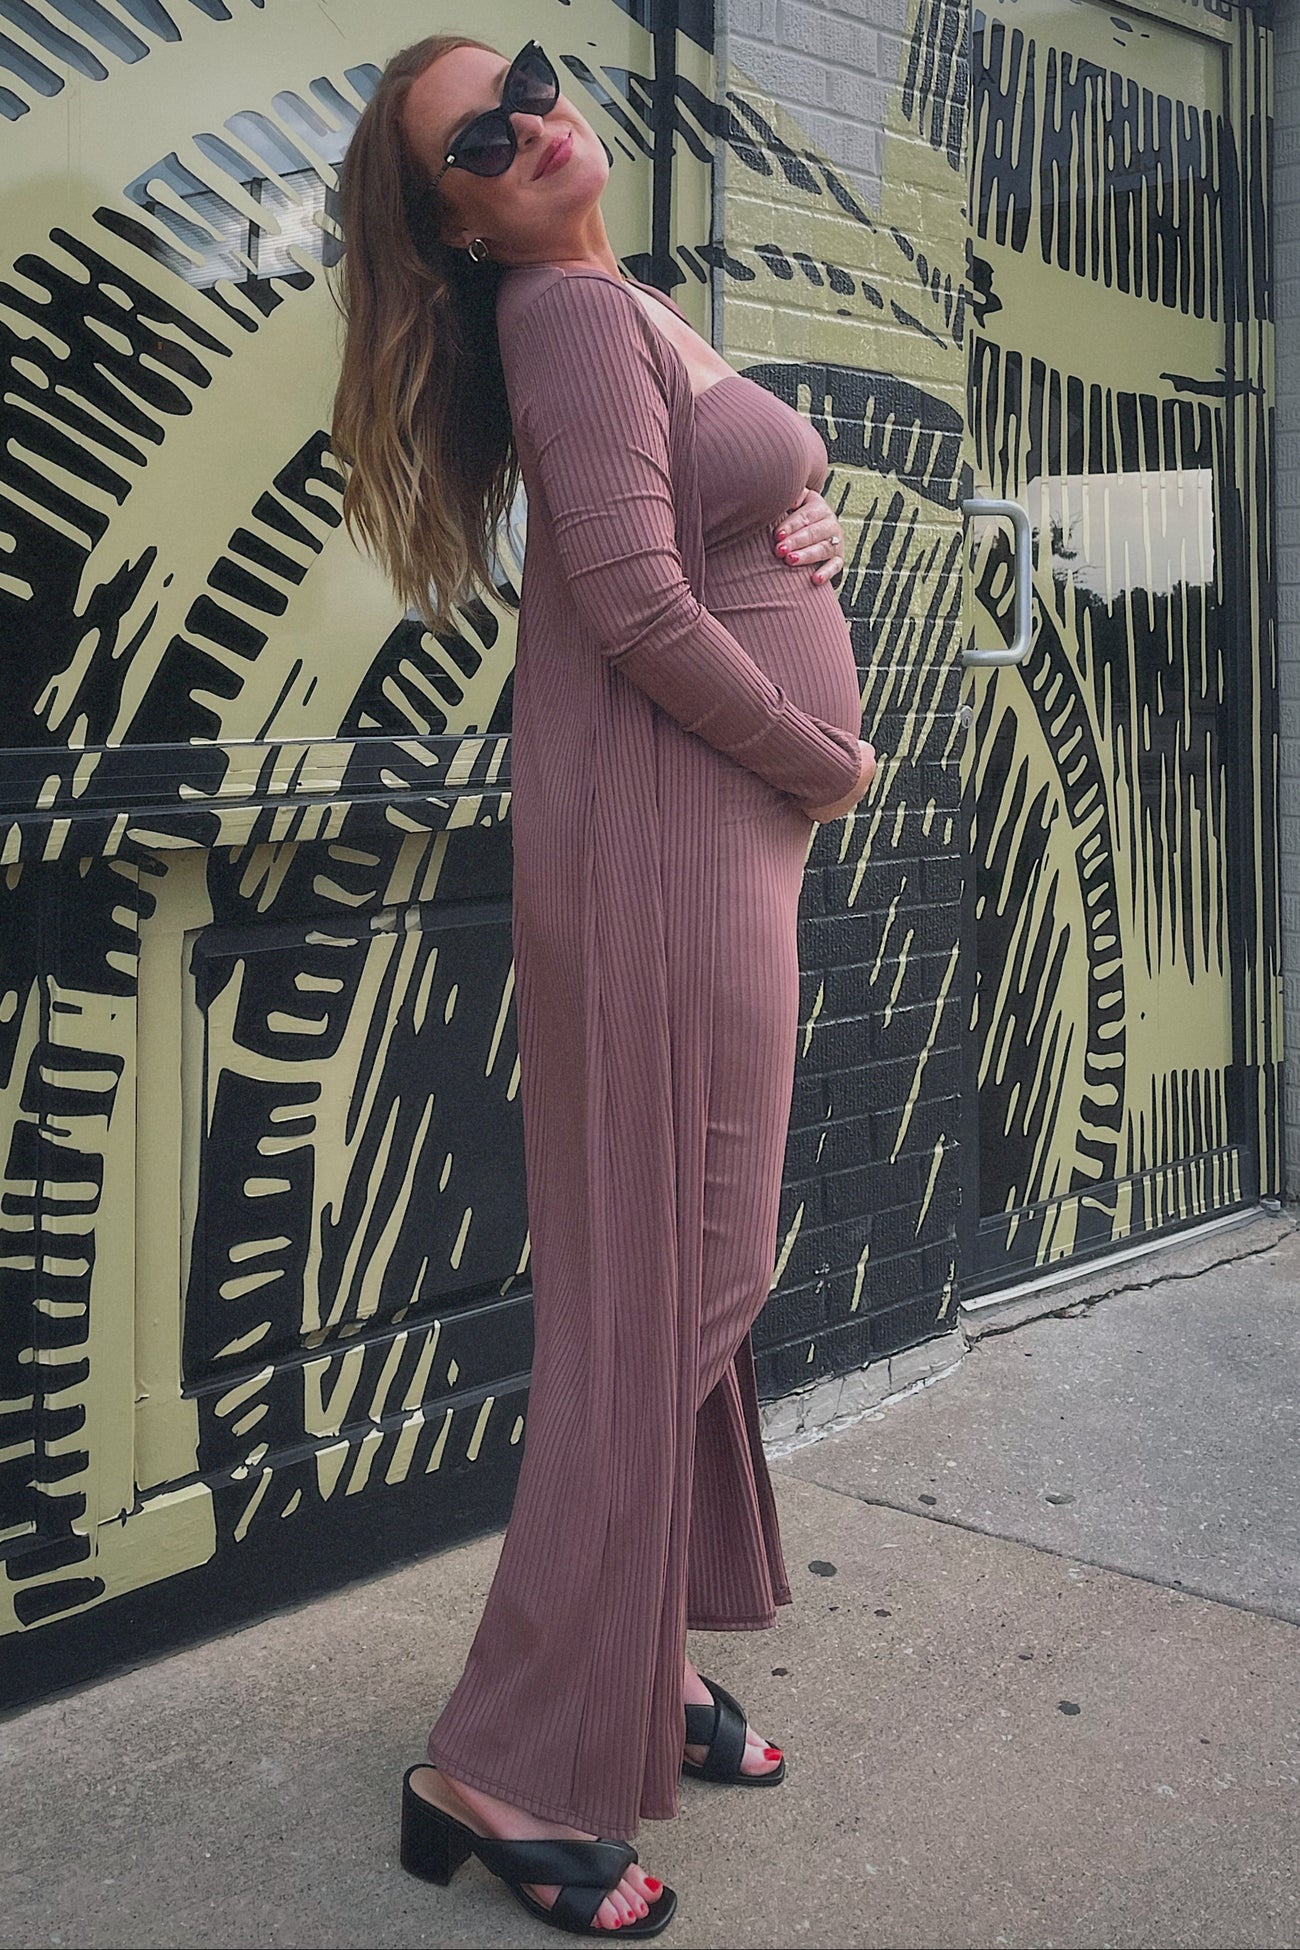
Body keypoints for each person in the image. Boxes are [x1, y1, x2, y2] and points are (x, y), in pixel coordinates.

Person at [330, 33, 877, 1940]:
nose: (534, 122)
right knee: (679, 1283)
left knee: (679, 1270)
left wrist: (802, 521)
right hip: (667, 851)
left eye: (532, 81)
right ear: (454, 221)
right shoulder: (560, 317)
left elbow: (693, 536)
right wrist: (824, 758)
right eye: (479, 139)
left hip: (706, 838)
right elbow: (637, 609)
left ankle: (628, 1659)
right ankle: (500, 1755)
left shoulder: (613, 298)